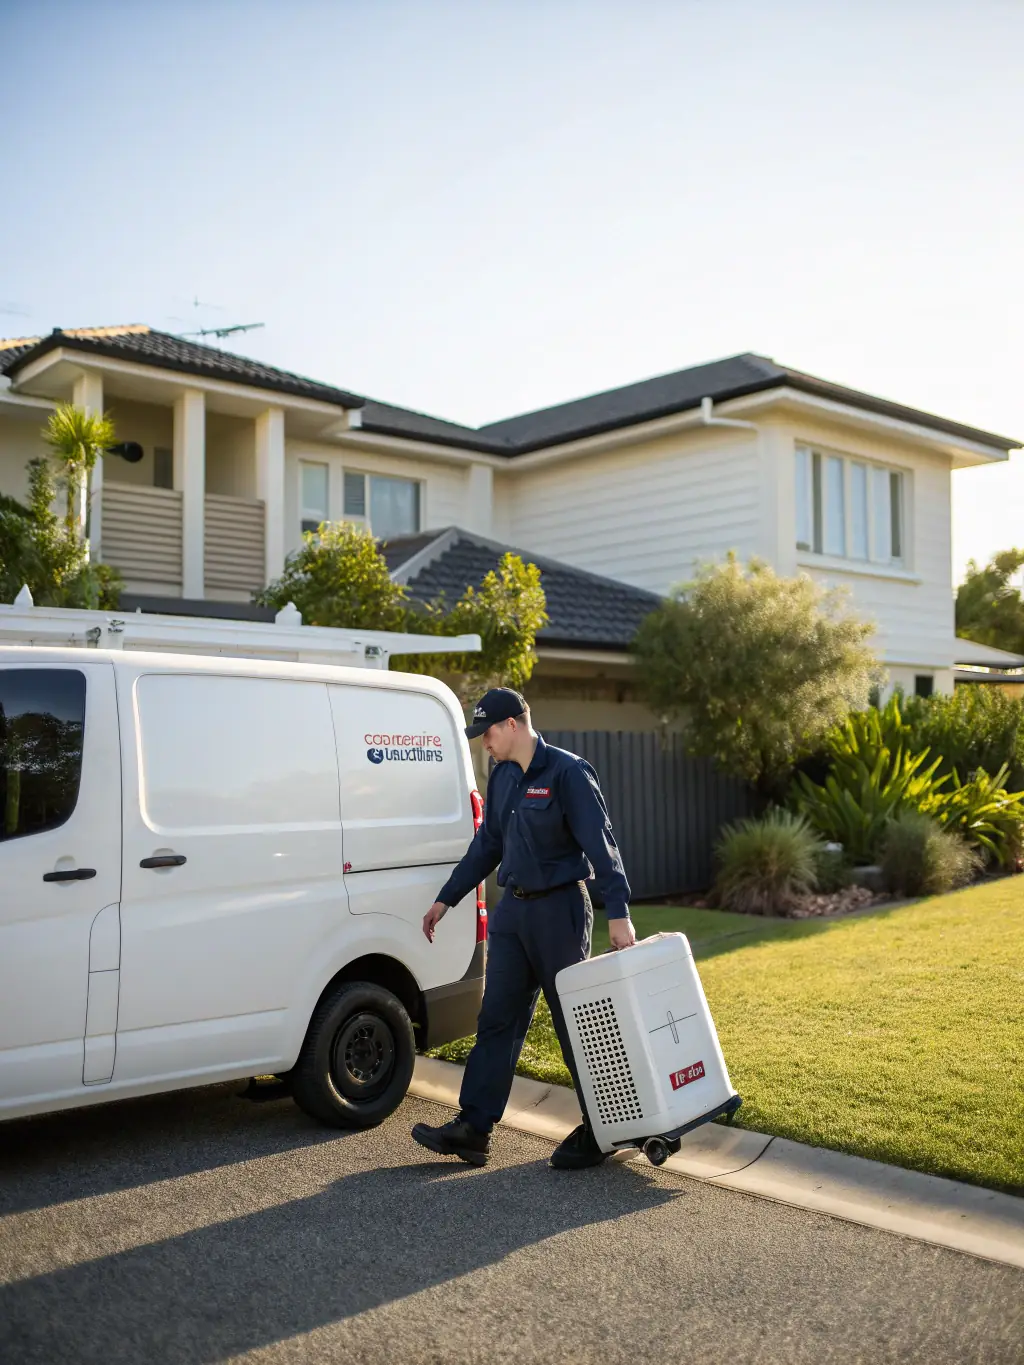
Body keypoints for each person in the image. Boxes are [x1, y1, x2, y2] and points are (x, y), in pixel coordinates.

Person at [411, 687, 636, 1170]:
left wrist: (618, 912)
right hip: (513, 913)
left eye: (487, 732)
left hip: (560, 913)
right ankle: (474, 1128)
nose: (483, 743)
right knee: (497, 1019)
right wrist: (445, 898)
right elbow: (488, 842)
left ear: (512, 724)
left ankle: (605, 1129)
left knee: (576, 1022)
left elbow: (603, 846)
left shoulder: (568, 772)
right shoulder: (502, 775)